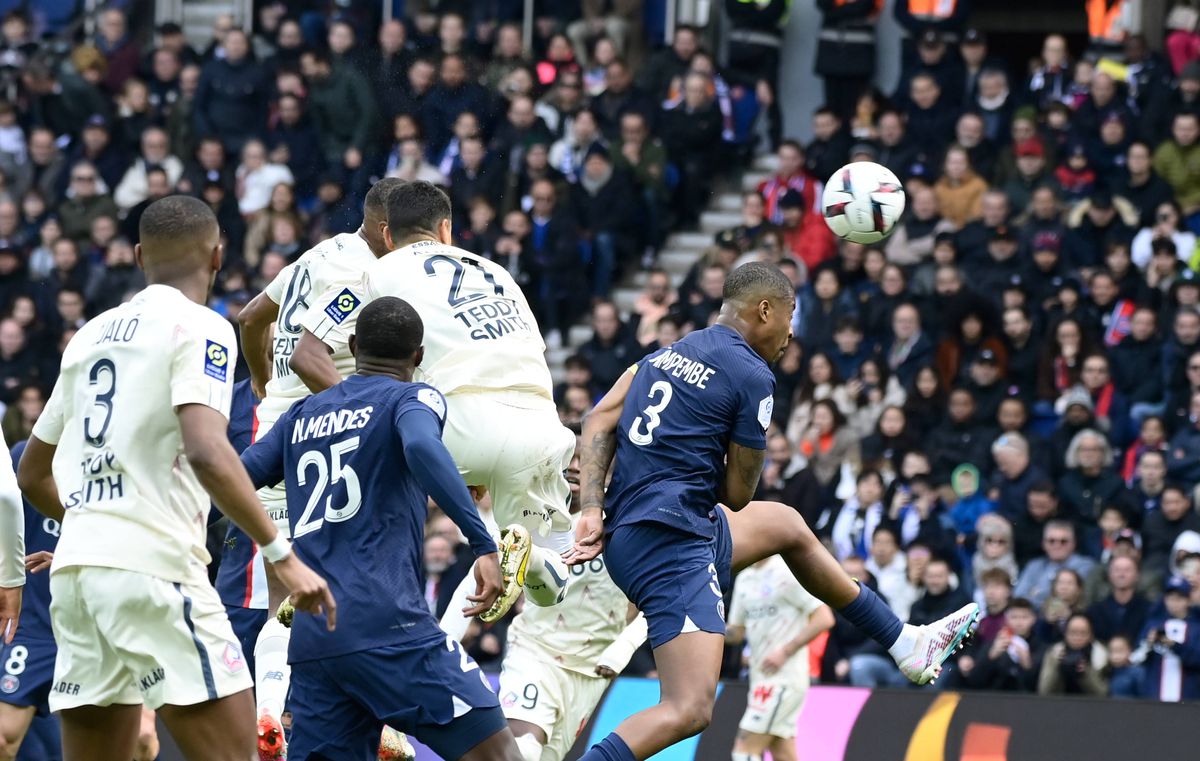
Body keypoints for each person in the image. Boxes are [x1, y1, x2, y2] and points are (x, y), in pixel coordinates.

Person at [567, 262, 978, 761]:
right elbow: (738, 494)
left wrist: (591, 506)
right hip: (671, 543)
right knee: (689, 708)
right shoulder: (751, 373)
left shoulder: (665, 353)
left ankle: (904, 642)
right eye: (790, 316)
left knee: (785, 524)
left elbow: (598, 419)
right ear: (765, 310)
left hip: (640, 528)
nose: (790, 333)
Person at [13, 195, 333, 761]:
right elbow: (209, 451)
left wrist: (93, 523)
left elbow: (32, 471)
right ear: (217, 256)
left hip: (78, 577)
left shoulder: (88, 335)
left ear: (137, 255)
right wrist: (280, 552)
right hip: (155, 570)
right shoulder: (202, 327)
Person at [295, 181, 576, 641]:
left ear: (387, 236)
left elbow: (312, 352)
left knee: (383, 449)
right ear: (446, 229)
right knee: (551, 589)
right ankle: (537, 558)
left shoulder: (379, 274)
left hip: (457, 424)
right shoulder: (498, 271)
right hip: (541, 426)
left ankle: (332, 577)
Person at [240, 296, 516, 760]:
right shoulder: (413, 397)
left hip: (316, 639)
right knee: (498, 753)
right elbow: (424, 450)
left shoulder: (301, 415)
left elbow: (235, 477)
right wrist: (482, 541)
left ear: (352, 345)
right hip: (388, 623)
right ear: (419, 356)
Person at [236, 177, 403, 747]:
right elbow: (311, 356)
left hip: (276, 436)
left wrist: (262, 385)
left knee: (289, 595)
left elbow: (251, 317)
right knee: (356, 582)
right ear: (387, 230)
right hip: (322, 440)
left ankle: (272, 713)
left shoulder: (317, 253)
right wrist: (363, 414)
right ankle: (372, 725)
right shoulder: (362, 273)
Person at [498, 439, 647, 761]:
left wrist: (623, 647)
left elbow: (664, 598)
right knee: (522, 747)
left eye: (589, 460)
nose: (577, 465)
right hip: (534, 651)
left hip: (591, 670)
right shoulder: (539, 517)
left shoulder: (635, 528)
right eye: (571, 457)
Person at [725, 557, 834, 761]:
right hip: (759, 678)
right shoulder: (744, 578)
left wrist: (785, 651)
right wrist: (703, 629)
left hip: (785, 679)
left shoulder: (787, 571)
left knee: (744, 749)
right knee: (783, 753)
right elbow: (737, 632)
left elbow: (824, 618)